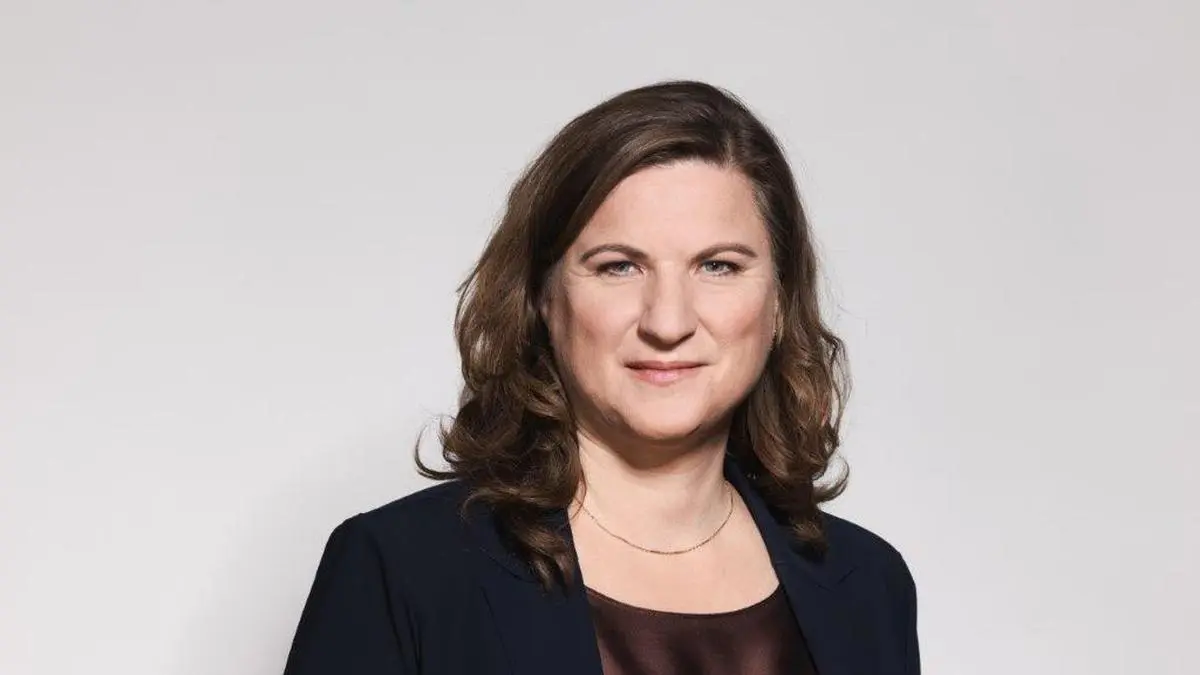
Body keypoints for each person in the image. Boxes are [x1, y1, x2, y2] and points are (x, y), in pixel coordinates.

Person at [282, 80, 920, 675]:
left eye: (719, 266)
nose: (667, 322)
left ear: (779, 300)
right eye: (619, 267)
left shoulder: (871, 585)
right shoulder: (402, 568)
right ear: (542, 297)